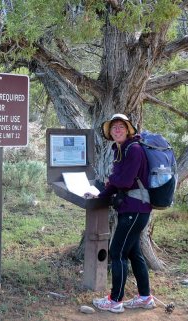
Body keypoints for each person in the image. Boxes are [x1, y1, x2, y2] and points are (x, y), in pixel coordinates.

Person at [86, 114, 156, 313]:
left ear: (128, 129)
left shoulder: (133, 150)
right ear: (110, 132)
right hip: (133, 208)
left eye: (121, 127)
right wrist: (100, 193)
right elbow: (117, 182)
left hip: (135, 209)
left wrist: (111, 180)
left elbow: (124, 181)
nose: (117, 130)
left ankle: (115, 300)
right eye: (114, 127)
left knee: (117, 252)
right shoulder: (120, 150)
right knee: (134, 253)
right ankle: (145, 297)